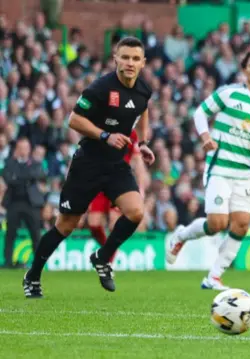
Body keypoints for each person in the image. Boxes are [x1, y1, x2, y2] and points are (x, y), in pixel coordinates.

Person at [22, 36, 155, 298]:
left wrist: (144, 142)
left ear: (143, 63)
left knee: (136, 212)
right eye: (125, 57)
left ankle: (102, 257)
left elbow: (143, 110)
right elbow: (73, 120)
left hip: (116, 165)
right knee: (66, 226)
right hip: (88, 164)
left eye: (135, 58)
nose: (130, 63)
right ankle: (33, 274)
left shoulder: (143, 90)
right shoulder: (101, 88)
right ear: (115, 58)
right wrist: (105, 135)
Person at [165, 49, 250, 290]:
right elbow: (200, 112)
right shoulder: (229, 94)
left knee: (241, 224)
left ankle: (214, 277)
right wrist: (205, 137)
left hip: (244, 173)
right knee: (217, 223)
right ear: (245, 70)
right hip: (219, 167)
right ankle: (181, 236)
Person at [86, 129, 146, 264]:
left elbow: (137, 161)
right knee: (93, 224)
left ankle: (108, 260)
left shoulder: (131, 133)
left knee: (114, 223)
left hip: (119, 183)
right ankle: (107, 253)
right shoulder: (100, 128)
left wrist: (141, 188)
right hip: (99, 182)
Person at [2, 138, 46, 268]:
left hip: (31, 203)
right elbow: (8, 178)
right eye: (21, 147)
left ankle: (38, 263)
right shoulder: (9, 163)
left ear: (29, 149)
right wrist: (27, 178)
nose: (24, 150)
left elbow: (38, 175)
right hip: (14, 203)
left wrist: (18, 177)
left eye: (26, 147)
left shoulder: (36, 164)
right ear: (17, 149)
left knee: (35, 234)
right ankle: (8, 262)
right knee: (10, 233)